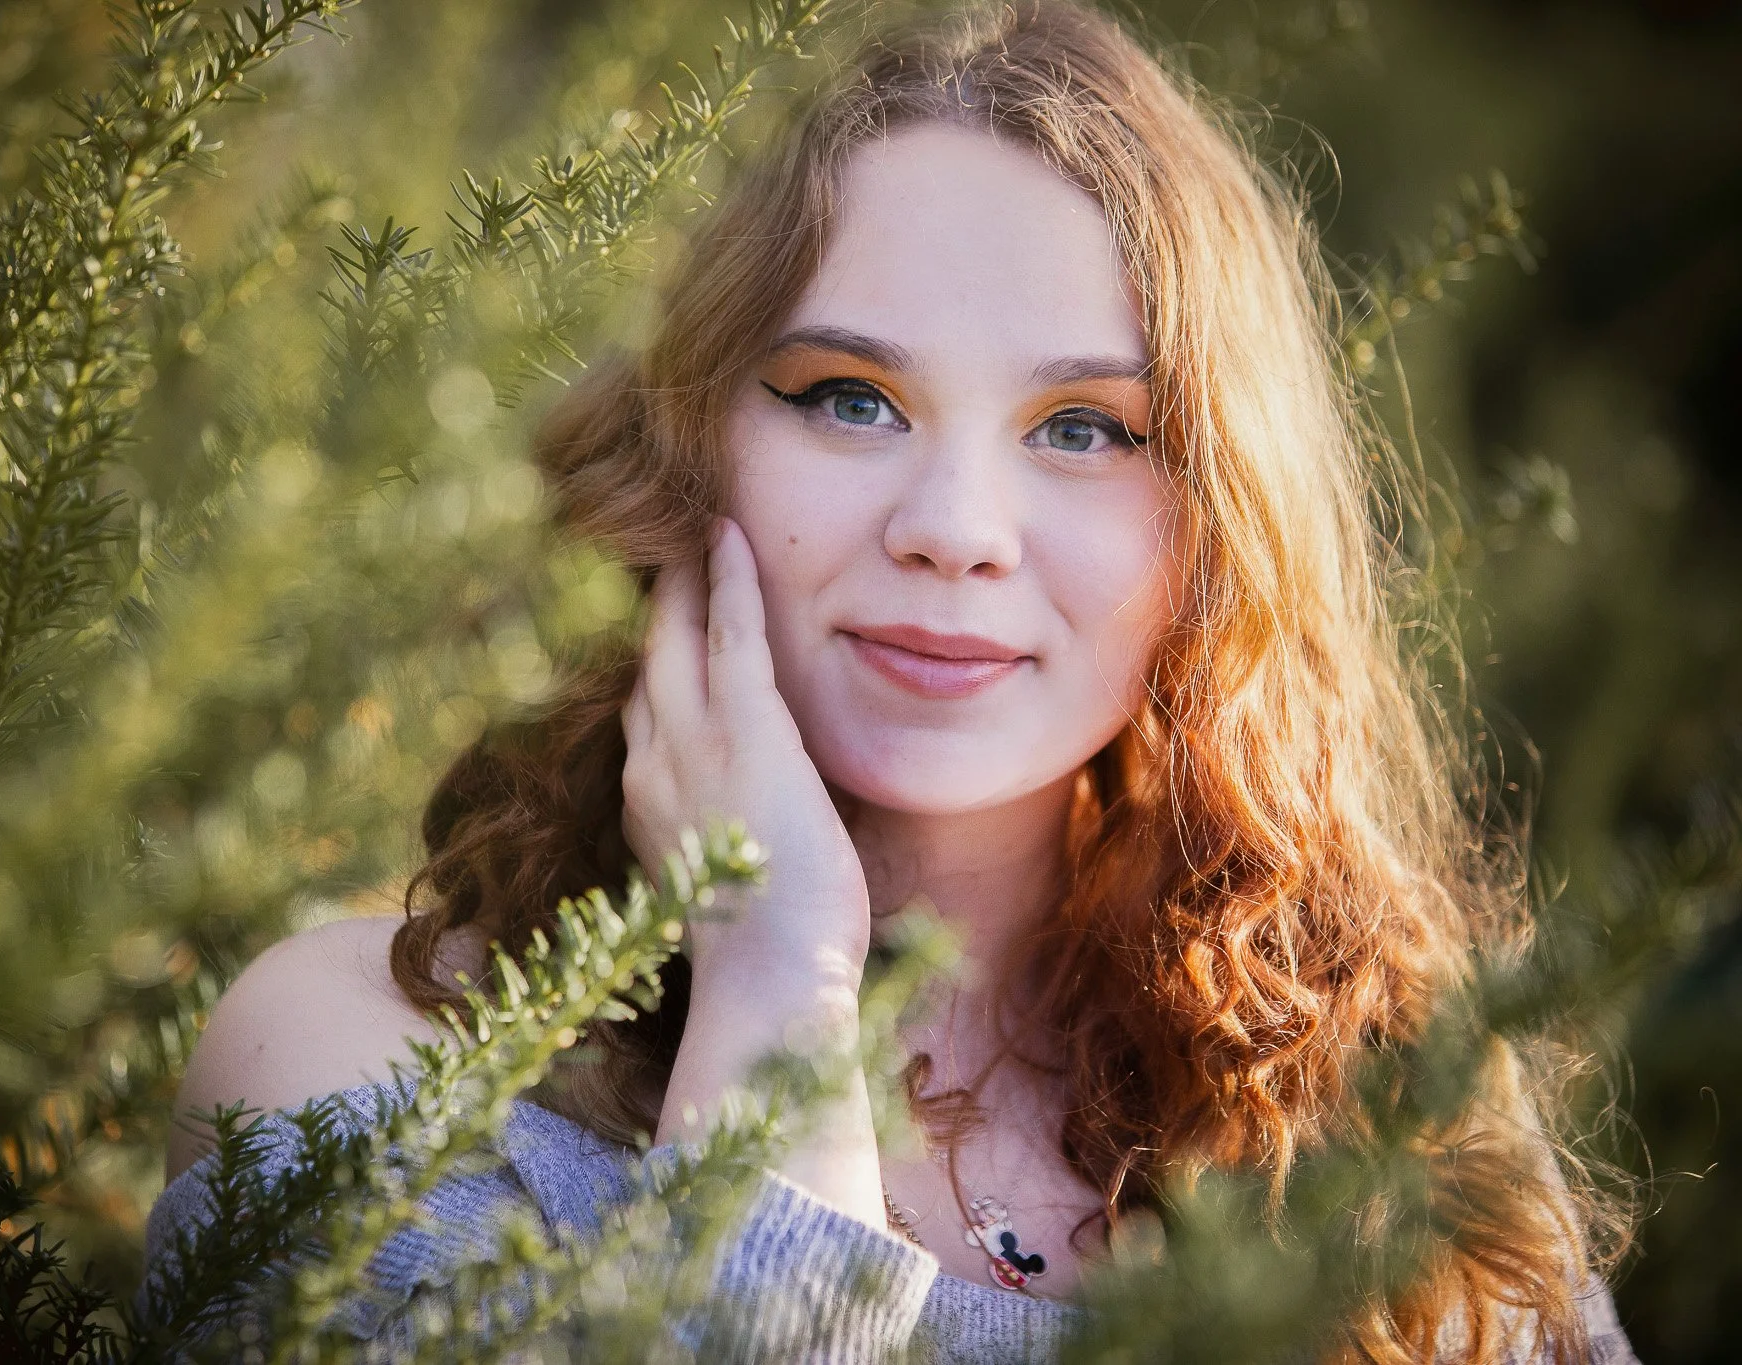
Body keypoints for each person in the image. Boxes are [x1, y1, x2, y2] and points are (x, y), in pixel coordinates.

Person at [144, 3, 1639, 1360]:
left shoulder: (1392, 1134)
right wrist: (770, 979)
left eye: (1086, 427)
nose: (952, 533)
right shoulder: (370, 1080)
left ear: (1219, 519)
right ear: (680, 447)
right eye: (850, 400)